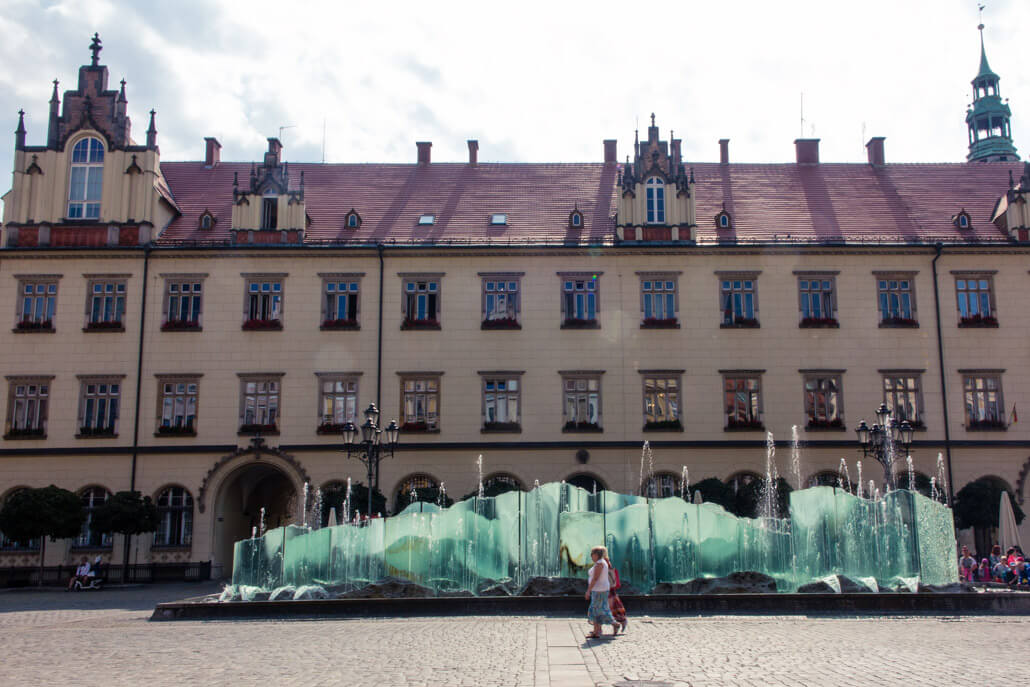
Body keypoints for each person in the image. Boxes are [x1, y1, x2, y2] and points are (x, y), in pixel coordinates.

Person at [584, 545, 615, 639]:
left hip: (599, 590)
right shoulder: (601, 562)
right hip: (600, 589)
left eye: (592, 554)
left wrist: (588, 591)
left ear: (597, 554)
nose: (591, 556)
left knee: (598, 610)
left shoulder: (599, 564)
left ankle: (614, 623)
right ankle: (596, 631)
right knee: (597, 610)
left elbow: (595, 578)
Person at [604, 554, 628, 633]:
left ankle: (620, 623)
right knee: (613, 609)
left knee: (612, 609)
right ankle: (620, 623)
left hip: (608, 591)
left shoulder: (603, 561)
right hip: (608, 590)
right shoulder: (605, 561)